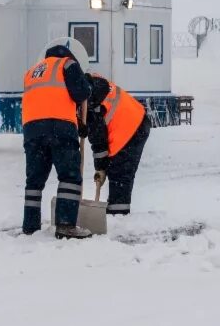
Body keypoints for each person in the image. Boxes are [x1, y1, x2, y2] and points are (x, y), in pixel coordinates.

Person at [22, 37, 93, 239]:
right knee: (70, 176)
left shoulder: (32, 72)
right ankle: (65, 224)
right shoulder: (68, 64)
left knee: (34, 181)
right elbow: (80, 93)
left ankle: (30, 226)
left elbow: (47, 98)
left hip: (32, 130)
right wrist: (87, 84)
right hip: (59, 126)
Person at [86, 73, 150, 215]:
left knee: (120, 172)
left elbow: (99, 141)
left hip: (131, 128)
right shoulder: (91, 87)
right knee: (117, 171)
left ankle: (118, 216)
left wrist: (100, 168)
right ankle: (116, 211)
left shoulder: (91, 104)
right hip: (135, 118)